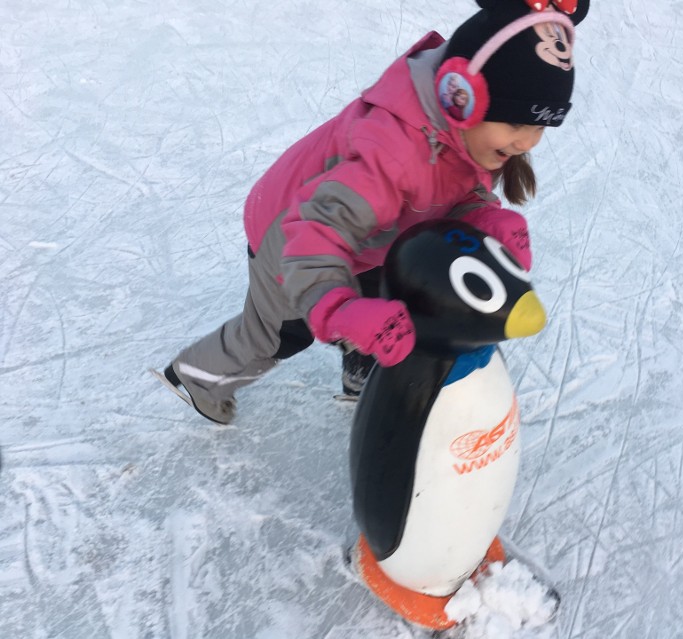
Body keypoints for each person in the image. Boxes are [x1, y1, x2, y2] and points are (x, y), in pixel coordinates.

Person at [159, 0, 590, 424]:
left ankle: (360, 366)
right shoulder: (392, 154)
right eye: (517, 123)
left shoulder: (465, 137)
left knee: (388, 297)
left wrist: (485, 219)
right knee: (280, 335)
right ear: (462, 95)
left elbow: (454, 193)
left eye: (539, 127)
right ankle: (199, 377)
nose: (528, 142)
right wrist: (336, 312)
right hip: (292, 233)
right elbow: (315, 237)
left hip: (368, 234)